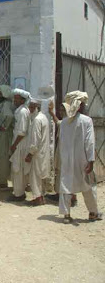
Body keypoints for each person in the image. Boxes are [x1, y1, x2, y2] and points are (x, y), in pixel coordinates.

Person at [58, 91, 102, 223]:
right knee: (88, 186)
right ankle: (93, 213)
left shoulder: (64, 122)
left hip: (66, 159)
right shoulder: (86, 121)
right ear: (79, 105)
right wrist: (91, 161)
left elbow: (61, 142)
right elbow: (89, 142)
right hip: (82, 159)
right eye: (82, 104)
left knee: (66, 185)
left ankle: (66, 215)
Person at [24, 99, 50, 206]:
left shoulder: (37, 120)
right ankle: (41, 197)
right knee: (40, 176)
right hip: (43, 152)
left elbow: (35, 139)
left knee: (34, 176)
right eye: (29, 107)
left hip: (37, 153)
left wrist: (30, 153)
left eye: (31, 107)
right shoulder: (44, 118)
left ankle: (38, 198)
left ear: (36, 107)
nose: (29, 110)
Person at [8, 89, 31, 201]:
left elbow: (22, 132)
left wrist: (14, 145)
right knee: (18, 169)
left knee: (18, 169)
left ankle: (18, 194)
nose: (14, 100)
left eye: (17, 98)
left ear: (22, 99)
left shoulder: (22, 112)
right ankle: (19, 191)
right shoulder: (21, 111)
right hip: (19, 143)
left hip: (20, 144)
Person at [0, 85, 14, 188]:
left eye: (0, 94)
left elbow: (9, 116)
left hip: (4, 137)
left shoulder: (6, 105)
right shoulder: (4, 105)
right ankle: (0, 180)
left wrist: (4, 127)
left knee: (2, 158)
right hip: (2, 136)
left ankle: (2, 182)